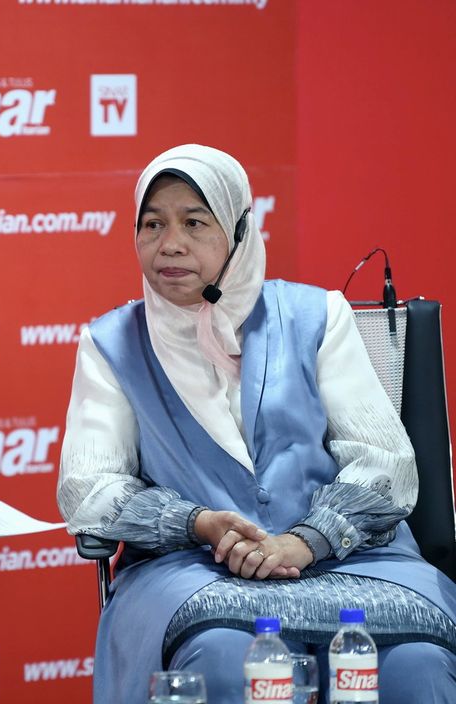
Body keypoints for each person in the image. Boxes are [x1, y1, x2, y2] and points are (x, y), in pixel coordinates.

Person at [56, 144, 456, 703]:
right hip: (192, 569)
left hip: (351, 558)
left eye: (195, 223)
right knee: (224, 659)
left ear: (240, 232)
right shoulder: (111, 342)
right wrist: (198, 524)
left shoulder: (320, 316)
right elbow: (90, 491)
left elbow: (383, 463)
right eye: (152, 224)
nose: (169, 244)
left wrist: (306, 540)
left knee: (414, 664)